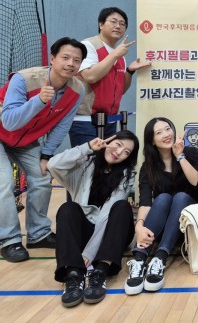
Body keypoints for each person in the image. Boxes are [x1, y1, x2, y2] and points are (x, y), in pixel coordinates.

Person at [0, 37, 86, 262]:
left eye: (77, 60)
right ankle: (9, 240)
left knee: (42, 176)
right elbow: (10, 122)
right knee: (2, 182)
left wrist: (46, 155)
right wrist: (39, 102)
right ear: (52, 59)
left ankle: (39, 233)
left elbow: (62, 125)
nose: (71, 63)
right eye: (65, 58)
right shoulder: (24, 79)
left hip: (25, 138)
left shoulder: (77, 89)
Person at [48, 131, 139, 307]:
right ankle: (74, 275)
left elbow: (106, 215)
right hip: (86, 230)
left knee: (122, 207)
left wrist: (89, 253)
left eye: (126, 152)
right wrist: (87, 147)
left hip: (113, 231)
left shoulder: (127, 174)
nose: (119, 152)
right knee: (67, 209)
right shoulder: (84, 163)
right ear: (107, 141)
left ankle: (100, 272)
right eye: (118, 144)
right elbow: (53, 165)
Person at [125, 117, 198, 295]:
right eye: (159, 133)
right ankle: (139, 261)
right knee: (162, 198)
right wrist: (139, 226)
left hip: (188, 226)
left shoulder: (190, 152)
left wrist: (180, 156)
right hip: (162, 227)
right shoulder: (148, 167)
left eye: (168, 129)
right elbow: (146, 202)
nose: (166, 134)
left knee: (181, 197)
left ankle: (160, 259)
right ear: (152, 141)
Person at [69, 7, 151, 146]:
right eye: (113, 21)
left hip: (110, 120)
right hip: (85, 120)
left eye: (122, 23)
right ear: (101, 24)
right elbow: (90, 76)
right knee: (86, 165)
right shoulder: (88, 46)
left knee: (106, 165)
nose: (118, 26)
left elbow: (121, 90)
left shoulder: (119, 55)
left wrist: (130, 71)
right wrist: (114, 55)